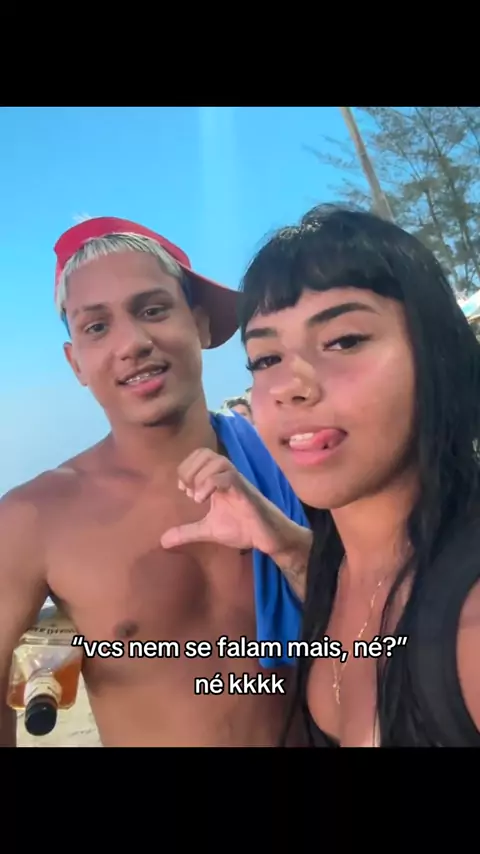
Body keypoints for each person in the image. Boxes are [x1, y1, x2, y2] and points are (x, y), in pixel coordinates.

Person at [0, 216, 312, 747]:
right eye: (97, 327)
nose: (133, 342)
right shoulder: (34, 519)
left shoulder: (295, 462)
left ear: (201, 325)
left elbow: (379, 621)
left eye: (152, 310)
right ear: (76, 364)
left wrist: (288, 546)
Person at [238, 203, 480, 747]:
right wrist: (281, 542)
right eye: (265, 359)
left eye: (343, 340)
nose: (290, 384)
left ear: (437, 353)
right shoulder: (336, 567)